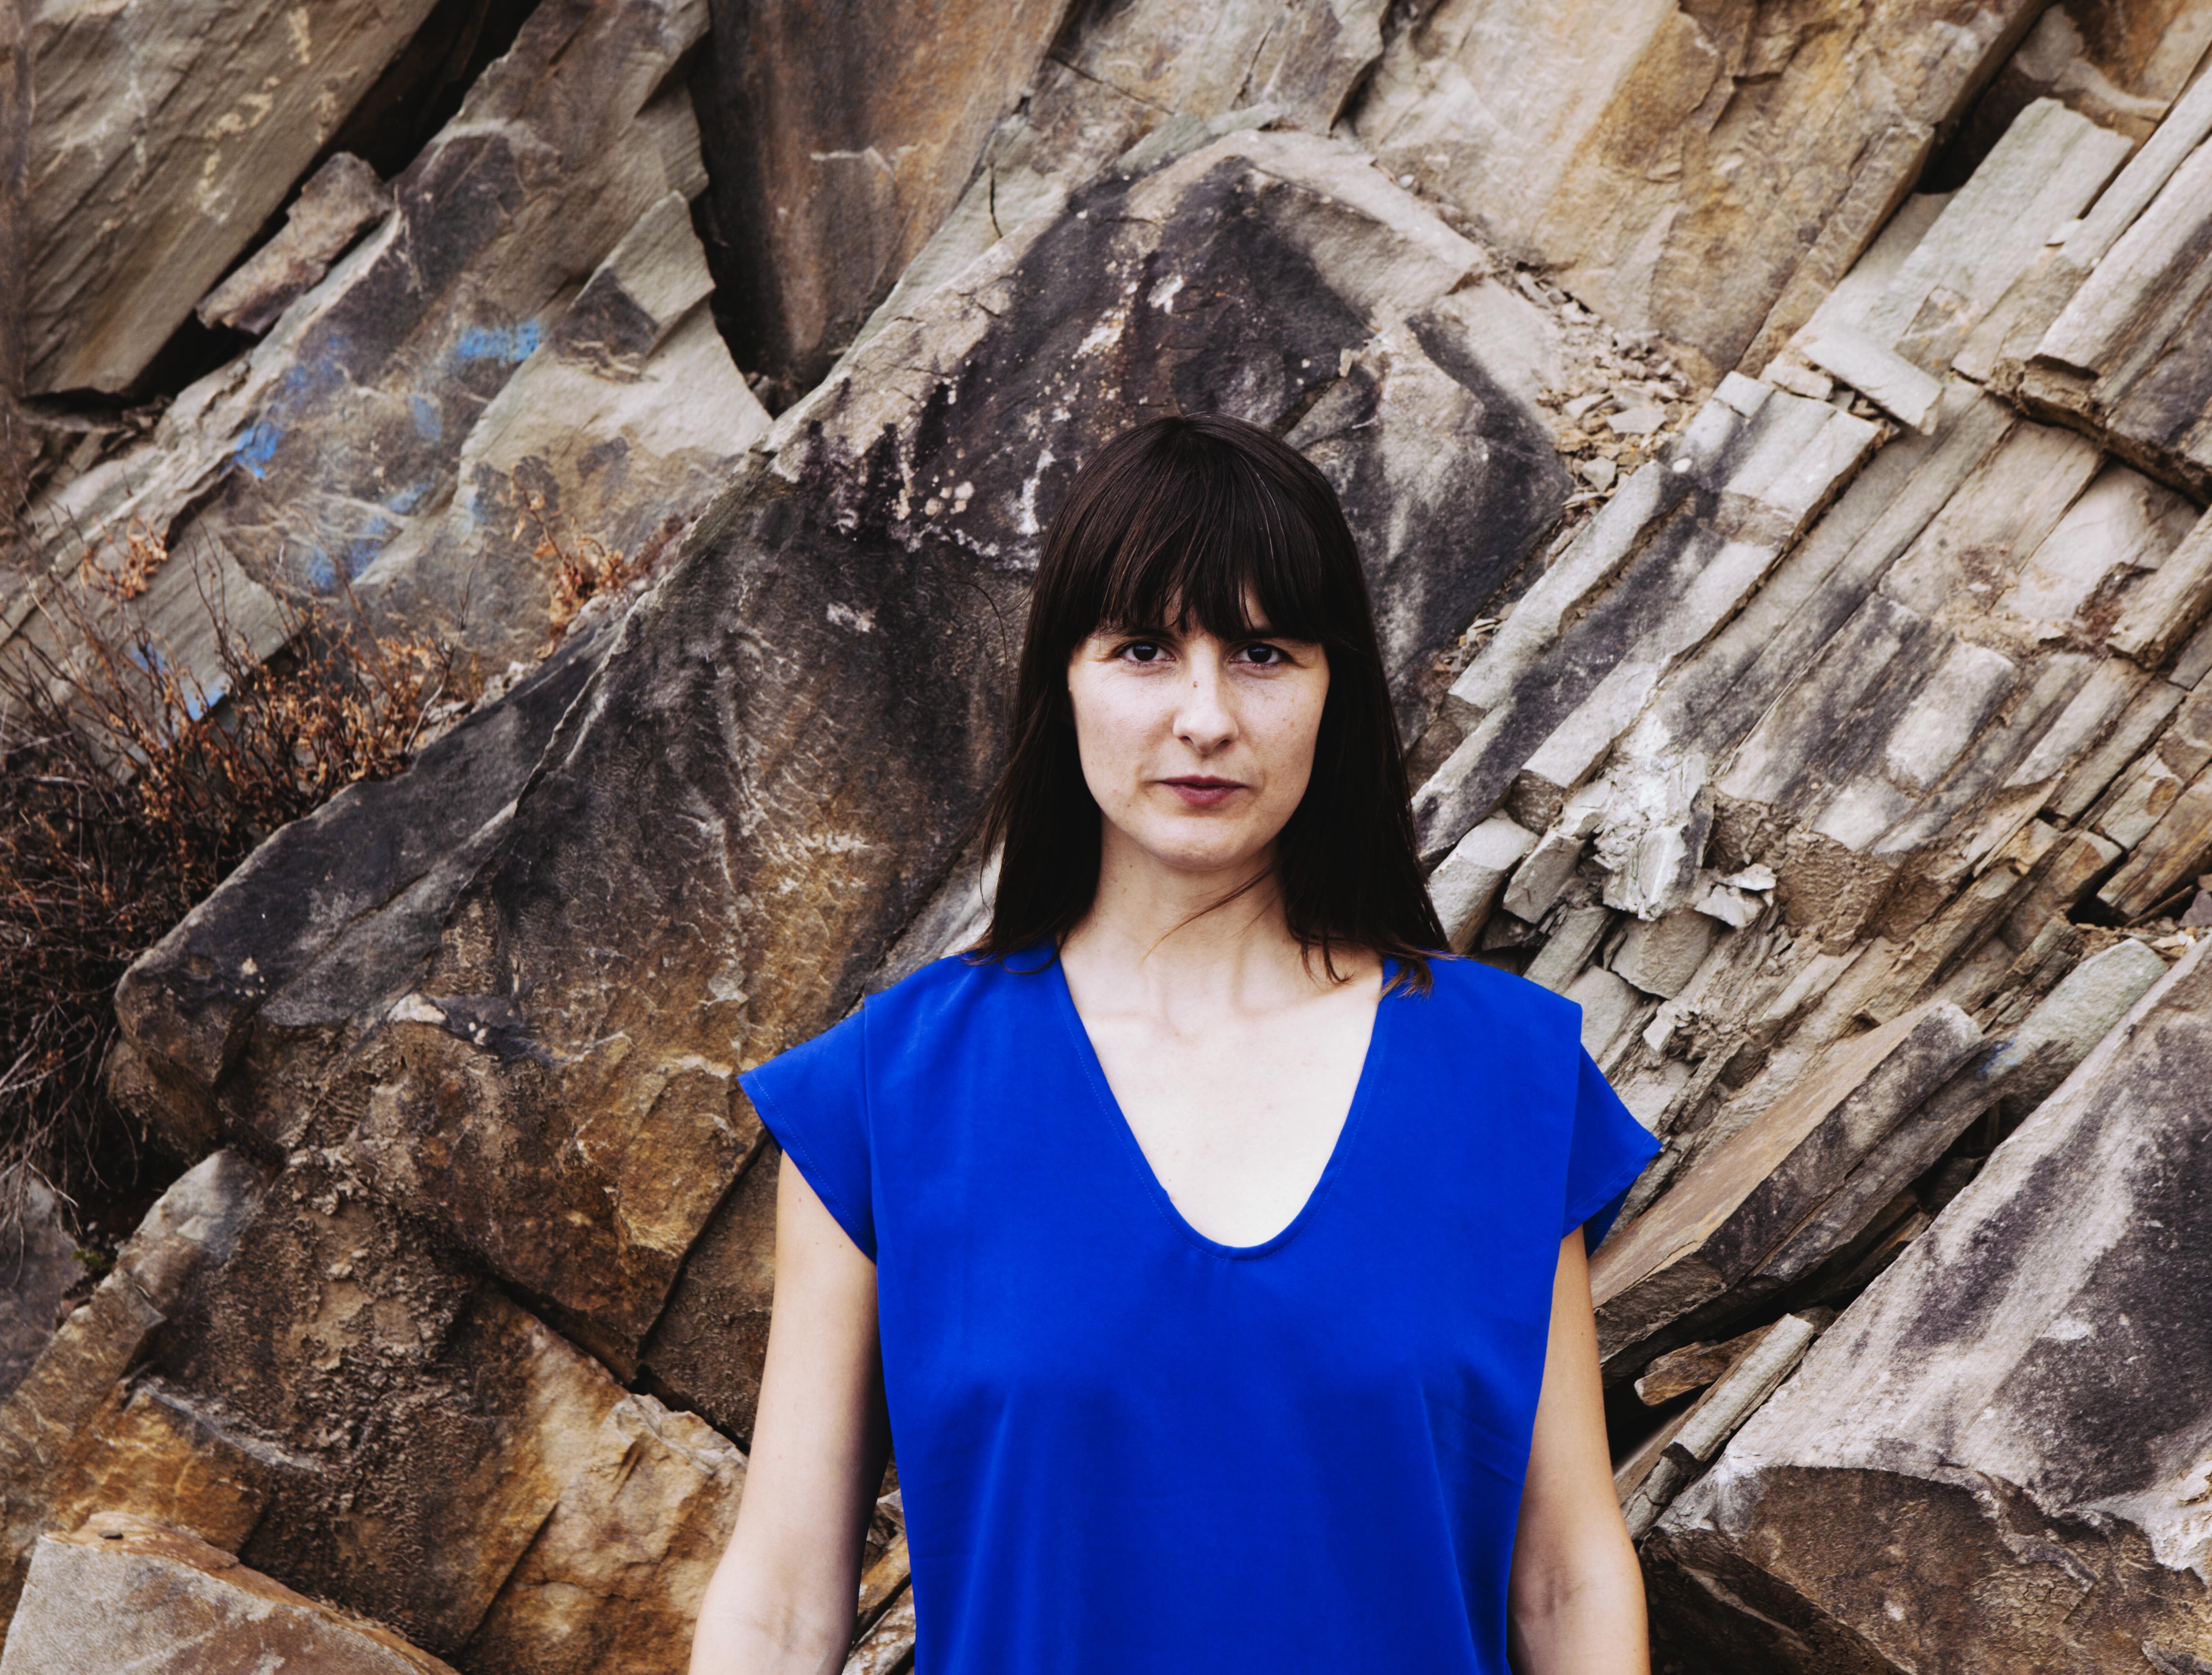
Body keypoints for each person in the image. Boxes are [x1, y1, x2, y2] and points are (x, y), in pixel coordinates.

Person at [688, 413, 1663, 1675]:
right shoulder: (887, 1094)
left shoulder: (1506, 1077)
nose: (1205, 715)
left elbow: (1565, 1581)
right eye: (1144, 648)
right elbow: (780, 1604)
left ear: (1334, 690)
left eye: (1263, 652)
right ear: (1063, 680)